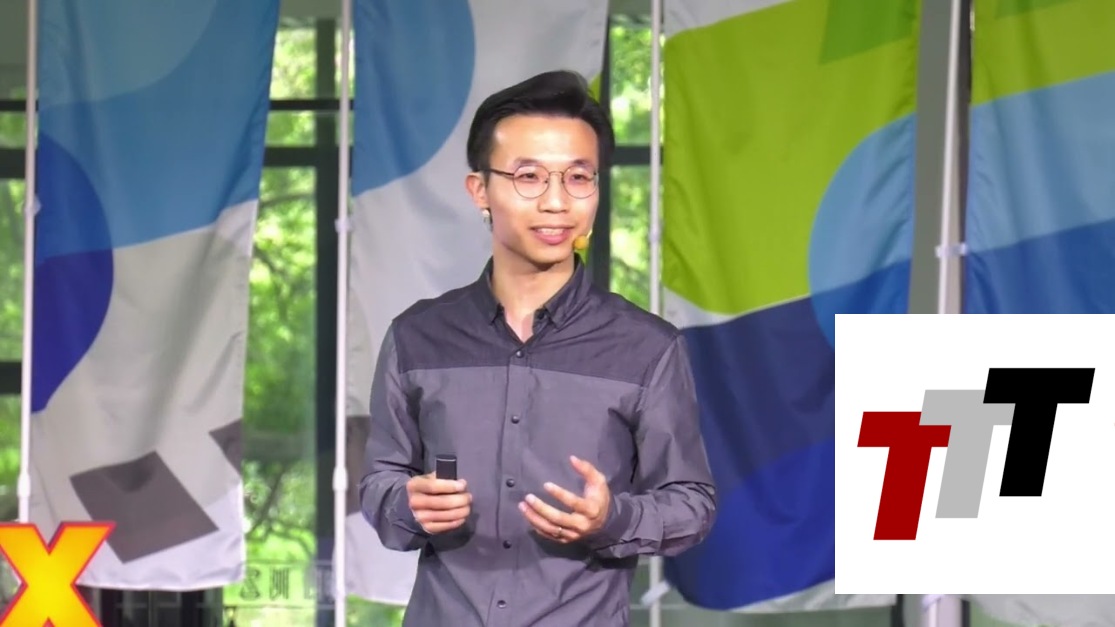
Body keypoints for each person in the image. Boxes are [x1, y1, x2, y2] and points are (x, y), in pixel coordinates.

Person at [359, 69, 717, 627]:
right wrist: (408, 504)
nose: (556, 202)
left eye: (579, 177)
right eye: (528, 176)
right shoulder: (417, 337)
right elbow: (379, 484)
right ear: (480, 190)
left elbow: (691, 502)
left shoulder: (646, 348)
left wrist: (614, 518)